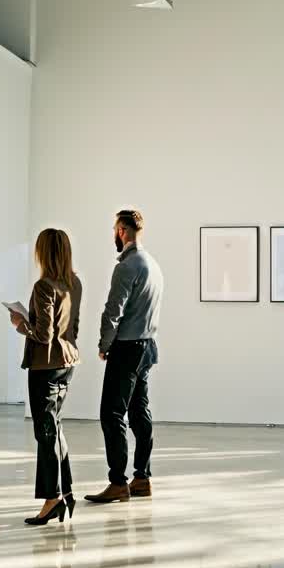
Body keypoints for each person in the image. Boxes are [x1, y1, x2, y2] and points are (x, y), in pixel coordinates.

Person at [86, 210, 164, 505]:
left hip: (127, 347)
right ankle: (142, 477)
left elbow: (113, 311)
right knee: (139, 411)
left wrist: (104, 343)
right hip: (146, 346)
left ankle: (118, 482)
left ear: (121, 230)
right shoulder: (153, 265)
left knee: (112, 413)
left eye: (114, 230)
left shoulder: (127, 266)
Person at [10, 229, 82, 525]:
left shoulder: (43, 286)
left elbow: (43, 334)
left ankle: (53, 498)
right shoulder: (74, 282)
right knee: (55, 426)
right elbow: (72, 326)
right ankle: (65, 493)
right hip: (68, 360)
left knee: (46, 432)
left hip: (45, 366)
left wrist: (20, 323)